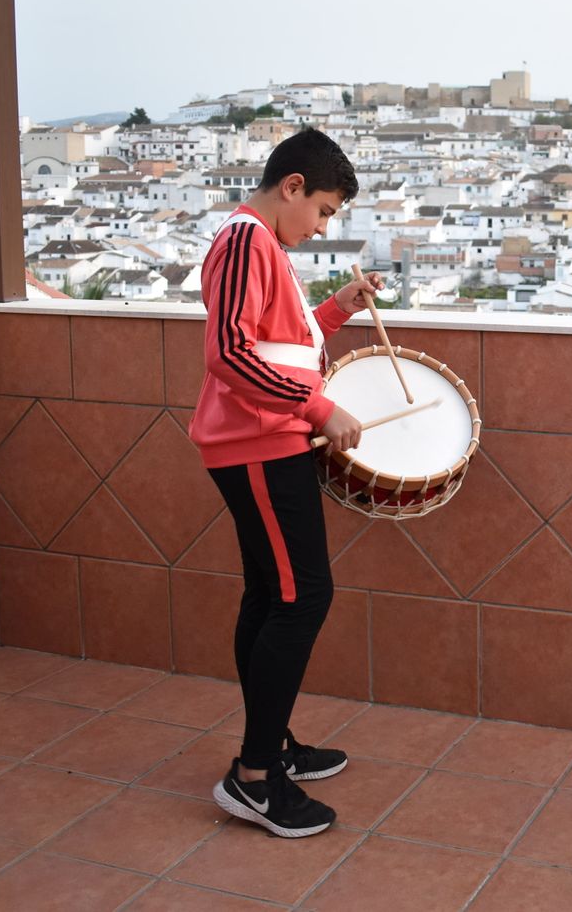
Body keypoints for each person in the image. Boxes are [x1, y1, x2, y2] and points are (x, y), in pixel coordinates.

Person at [189, 127, 384, 838]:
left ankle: (271, 747)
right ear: (293, 186)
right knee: (303, 598)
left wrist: (338, 308)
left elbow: (279, 343)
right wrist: (319, 409)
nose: (324, 226)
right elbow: (229, 353)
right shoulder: (246, 240)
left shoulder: (263, 245)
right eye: (324, 210)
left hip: (264, 441)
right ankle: (254, 778)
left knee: (274, 595)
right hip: (259, 446)